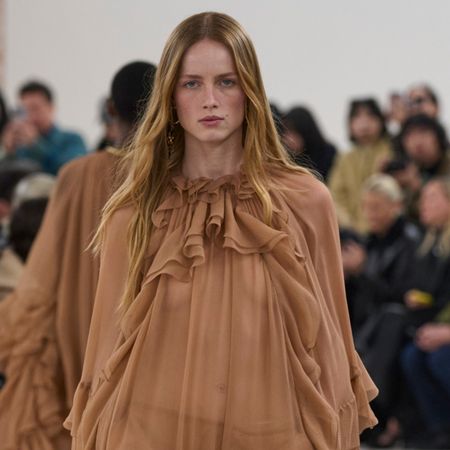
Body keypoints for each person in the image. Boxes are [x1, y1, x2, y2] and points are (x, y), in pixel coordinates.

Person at [65, 12, 377, 450]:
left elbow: (329, 341)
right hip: (151, 429)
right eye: (192, 83)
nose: (210, 99)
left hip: (273, 431)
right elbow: (106, 351)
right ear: (170, 96)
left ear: (250, 90)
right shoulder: (134, 213)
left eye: (226, 82)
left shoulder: (305, 202)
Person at [0, 61, 156, 450]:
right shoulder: (173, 180)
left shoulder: (75, 175)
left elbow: (40, 280)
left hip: (77, 342)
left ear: (111, 113)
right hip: (149, 357)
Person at [328, 98, 393, 233]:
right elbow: (336, 197)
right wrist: (349, 226)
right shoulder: (345, 159)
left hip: (385, 229)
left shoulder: (391, 150)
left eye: (370, 116)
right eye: (357, 117)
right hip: (351, 231)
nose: (364, 123)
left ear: (381, 121)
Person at [1, 81, 87, 174]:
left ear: (51, 108)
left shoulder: (72, 140)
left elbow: (71, 171)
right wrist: (7, 150)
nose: (30, 116)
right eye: (24, 111)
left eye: (35, 109)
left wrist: (36, 144)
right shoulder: (21, 147)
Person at [283, 106, 337, 180]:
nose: (289, 138)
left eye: (294, 133)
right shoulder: (285, 158)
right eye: (286, 133)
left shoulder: (328, 154)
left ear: (305, 131)